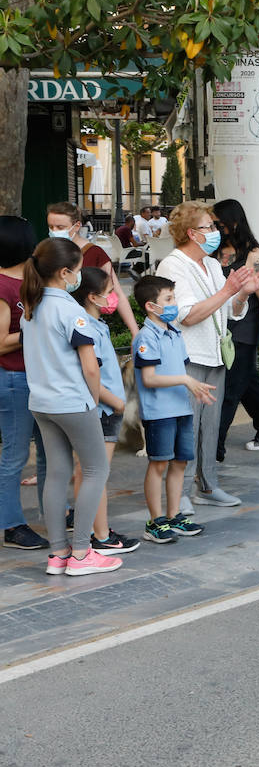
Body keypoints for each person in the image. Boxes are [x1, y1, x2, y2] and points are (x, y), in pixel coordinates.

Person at [156, 201, 259, 511]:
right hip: (189, 358)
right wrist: (229, 290)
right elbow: (187, 316)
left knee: (209, 427)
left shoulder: (212, 264)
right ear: (192, 233)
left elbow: (231, 312)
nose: (216, 232)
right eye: (209, 227)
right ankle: (180, 494)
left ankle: (208, 484)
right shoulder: (174, 265)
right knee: (187, 427)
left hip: (215, 355)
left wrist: (244, 291)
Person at [20, 238, 121, 576]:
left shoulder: (31, 308)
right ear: (65, 273)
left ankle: (58, 553)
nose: (79, 276)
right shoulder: (72, 312)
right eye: (77, 270)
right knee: (95, 471)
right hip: (73, 403)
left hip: (41, 403)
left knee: (57, 474)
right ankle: (81, 552)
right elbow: (91, 368)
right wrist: (92, 401)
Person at [132, 275, 214, 544]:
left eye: (173, 298)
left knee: (180, 462)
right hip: (159, 412)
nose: (174, 304)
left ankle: (174, 515)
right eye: (168, 299)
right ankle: (155, 522)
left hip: (181, 408)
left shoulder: (174, 333)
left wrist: (195, 387)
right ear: (150, 306)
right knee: (159, 464)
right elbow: (150, 378)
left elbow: (178, 369)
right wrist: (186, 380)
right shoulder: (145, 337)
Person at [69, 267, 140, 555]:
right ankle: (100, 535)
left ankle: (94, 530)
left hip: (101, 409)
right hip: (104, 410)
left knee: (86, 473)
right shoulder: (86, 325)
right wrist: (116, 402)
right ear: (93, 297)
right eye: (110, 292)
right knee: (96, 474)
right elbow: (90, 373)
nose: (114, 297)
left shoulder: (94, 324)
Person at [212, 199, 259, 457]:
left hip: (244, 330)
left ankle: (214, 447)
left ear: (234, 222)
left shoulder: (254, 255)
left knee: (231, 389)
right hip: (221, 326)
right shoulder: (215, 251)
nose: (215, 229)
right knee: (247, 382)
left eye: (219, 224)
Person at [0, 215, 48, 550]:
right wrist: (33, 327)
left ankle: (55, 509)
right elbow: (1, 342)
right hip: (15, 379)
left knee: (50, 452)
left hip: (39, 377)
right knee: (15, 456)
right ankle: (12, 525)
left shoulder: (30, 280)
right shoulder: (3, 286)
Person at [46, 202, 138, 336]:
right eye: (51, 227)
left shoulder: (94, 253)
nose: (54, 231)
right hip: (53, 328)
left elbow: (117, 293)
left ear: (77, 226)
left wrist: (135, 332)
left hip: (87, 327)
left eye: (60, 227)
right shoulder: (46, 253)